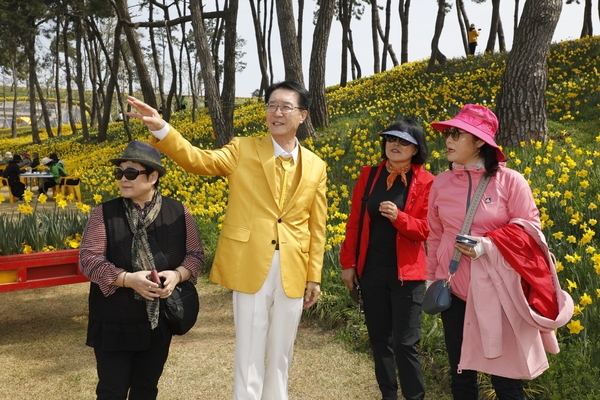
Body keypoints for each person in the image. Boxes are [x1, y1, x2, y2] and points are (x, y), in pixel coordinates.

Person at [126, 80, 327, 400]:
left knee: (281, 351)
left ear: (302, 115)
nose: (276, 112)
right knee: (249, 349)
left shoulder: (316, 166)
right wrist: (163, 129)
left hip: (295, 266)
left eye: (285, 107)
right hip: (249, 262)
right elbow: (199, 160)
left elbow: (318, 225)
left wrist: (314, 275)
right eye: (271, 106)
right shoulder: (244, 148)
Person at [427, 104, 574, 400]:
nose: (448, 141)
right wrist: (432, 277)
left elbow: (531, 234)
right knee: (461, 376)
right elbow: (435, 234)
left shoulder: (511, 181)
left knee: (506, 381)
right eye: (448, 134)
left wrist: (487, 247)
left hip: (499, 293)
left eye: (457, 134)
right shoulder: (440, 182)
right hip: (454, 291)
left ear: (480, 141)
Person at [79, 140, 204, 400]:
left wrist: (177, 275)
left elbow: (195, 255)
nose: (123, 179)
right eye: (119, 173)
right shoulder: (104, 213)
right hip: (114, 321)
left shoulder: (178, 212)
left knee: (146, 390)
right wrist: (126, 279)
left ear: (153, 176)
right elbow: (88, 260)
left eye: (131, 173)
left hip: (157, 323)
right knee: (111, 391)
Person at [340, 120, 434, 400]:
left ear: (416, 149)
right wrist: (349, 264)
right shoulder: (369, 176)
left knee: (406, 344)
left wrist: (399, 217)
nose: (395, 145)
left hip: (409, 275)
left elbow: (427, 229)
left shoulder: (428, 182)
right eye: (390, 139)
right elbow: (354, 223)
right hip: (372, 272)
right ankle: (388, 396)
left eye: (403, 142)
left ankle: (414, 397)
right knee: (381, 341)